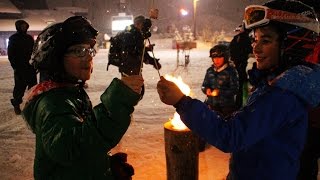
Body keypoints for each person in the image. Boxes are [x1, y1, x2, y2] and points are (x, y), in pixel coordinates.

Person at [157, 0, 320, 179]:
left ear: (292, 45)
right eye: (255, 39)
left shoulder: (283, 96)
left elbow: (231, 136)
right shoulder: (278, 84)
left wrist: (182, 102)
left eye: (265, 40)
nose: (255, 48)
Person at [22, 16, 144, 179]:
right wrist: (117, 100)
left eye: (89, 50)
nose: (88, 57)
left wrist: (105, 166)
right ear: (55, 57)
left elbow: (82, 147)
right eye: (79, 51)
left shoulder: (70, 93)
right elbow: (73, 149)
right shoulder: (52, 104)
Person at [7, 19, 37, 115]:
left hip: (30, 66)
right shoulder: (13, 38)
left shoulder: (29, 38)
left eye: (25, 26)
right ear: (18, 27)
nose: (24, 27)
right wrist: (15, 66)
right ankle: (16, 104)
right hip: (20, 67)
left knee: (33, 87)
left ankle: (30, 105)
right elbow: (11, 54)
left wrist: (34, 62)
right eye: (22, 26)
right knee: (20, 87)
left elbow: (34, 51)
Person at [202, 44, 239, 117]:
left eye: (219, 57)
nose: (216, 60)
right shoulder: (210, 71)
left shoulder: (231, 71)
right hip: (211, 105)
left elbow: (235, 89)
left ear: (225, 58)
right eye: (214, 58)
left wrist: (220, 92)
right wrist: (206, 90)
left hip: (226, 108)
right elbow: (204, 86)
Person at [229, 25, 253, 108]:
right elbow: (250, 49)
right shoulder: (247, 38)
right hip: (242, 64)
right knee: (241, 83)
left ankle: (238, 103)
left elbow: (231, 49)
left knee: (239, 83)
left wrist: (233, 58)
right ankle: (241, 103)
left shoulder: (236, 38)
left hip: (238, 63)